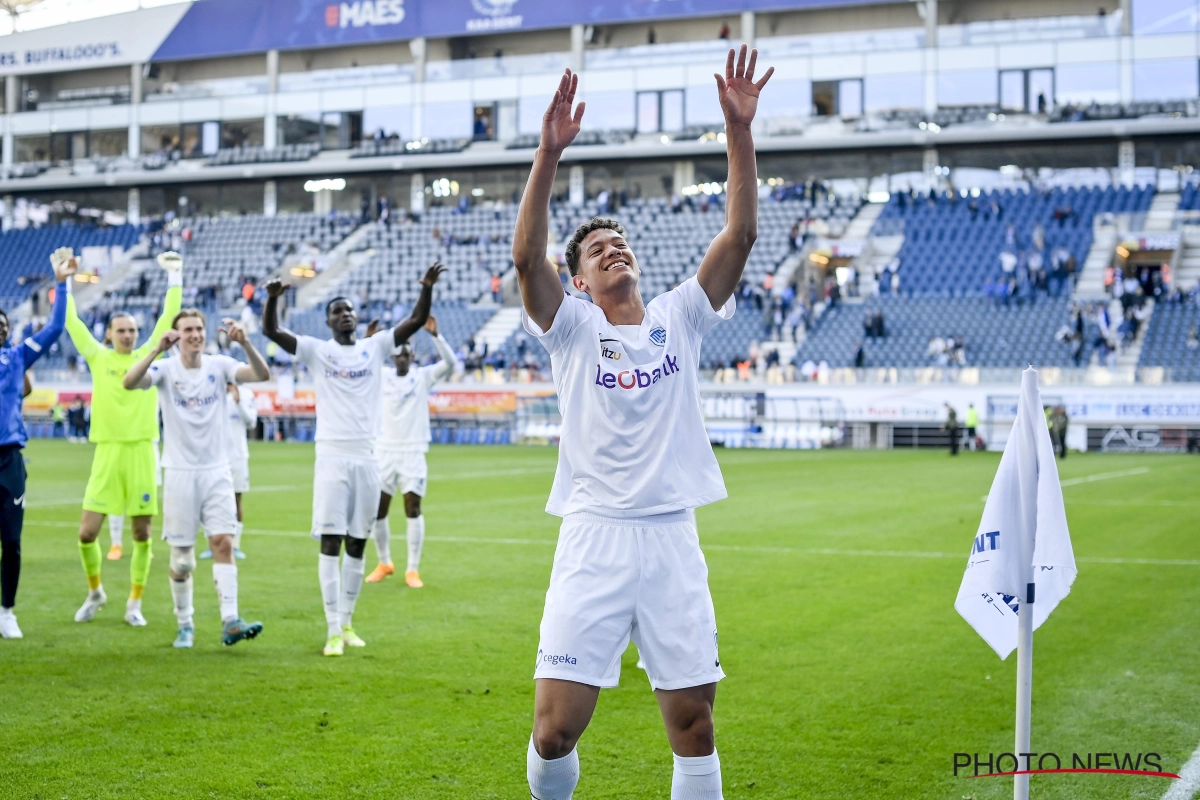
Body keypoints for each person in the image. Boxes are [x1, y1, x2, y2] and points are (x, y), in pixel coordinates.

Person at [512, 48, 773, 799]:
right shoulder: (569, 329)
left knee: (694, 724)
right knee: (554, 729)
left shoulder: (679, 316)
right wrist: (547, 152)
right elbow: (528, 256)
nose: (612, 248)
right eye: (597, 249)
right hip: (593, 533)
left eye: (619, 241)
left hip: (669, 534)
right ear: (583, 281)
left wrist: (737, 130)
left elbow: (742, 234)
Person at [262, 262, 443, 657]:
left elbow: (414, 320)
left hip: (368, 457)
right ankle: (330, 629)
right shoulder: (318, 351)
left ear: (357, 318)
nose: (344, 314)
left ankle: (346, 621)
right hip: (331, 456)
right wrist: (274, 299)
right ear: (328, 320)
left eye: (349, 310)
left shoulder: (373, 347)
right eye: (337, 311)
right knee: (330, 541)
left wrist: (426, 287)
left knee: (358, 543)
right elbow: (272, 332)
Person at [123, 311, 270, 648]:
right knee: (184, 558)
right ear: (176, 335)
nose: (195, 335)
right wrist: (154, 351)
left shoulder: (219, 365)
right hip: (179, 473)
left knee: (223, 543)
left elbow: (261, 374)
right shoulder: (165, 369)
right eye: (188, 329)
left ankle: (230, 620)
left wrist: (245, 342)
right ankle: (185, 623)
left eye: (199, 329)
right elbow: (129, 382)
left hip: (217, 471)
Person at [68, 250, 183, 625]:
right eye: (122, 330)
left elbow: (169, 318)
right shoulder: (98, 358)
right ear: (109, 334)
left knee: (142, 532)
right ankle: (95, 591)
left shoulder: (149, 355)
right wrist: (64, 281)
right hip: (107, 453)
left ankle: (134, 605)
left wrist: (175, 276)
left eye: (133, 330)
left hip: (142, 451)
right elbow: (71, 323)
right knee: (87, 533)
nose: (128, 335)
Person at [0, 250, 76, 639]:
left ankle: (7, 611)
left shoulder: (15, 359)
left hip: (9, 460)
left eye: (1, 324)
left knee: (11, 542)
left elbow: (55, 328)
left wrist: (61, 284)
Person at [367, 315, 458, 586]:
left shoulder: (422, 377)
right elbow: (360, 361)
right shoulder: (380, 376)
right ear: (392, 357)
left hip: (413, 453)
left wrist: (436, 336)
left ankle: (412, 569)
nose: (403, 358)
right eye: (398, 354)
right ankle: (384, 562)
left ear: (413, 354)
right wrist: (370, 340)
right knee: (378, 511)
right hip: (384, 452)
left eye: (407, 353)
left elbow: (451, 363)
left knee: (412, 508)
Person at [199, 382, 257, 561]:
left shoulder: (246, 394)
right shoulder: (209, 392)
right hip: (213, 457)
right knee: (209, 500)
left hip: (237, 456)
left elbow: (251, 422)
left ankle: (236, 545)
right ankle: (211, 544)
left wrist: (238, 402)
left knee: (237, 498)